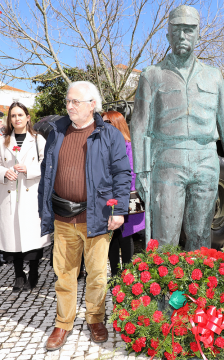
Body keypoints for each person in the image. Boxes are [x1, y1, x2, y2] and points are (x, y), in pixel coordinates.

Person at [131, 5, 224, 250]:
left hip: (206, 159)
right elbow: (139, 125)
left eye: (189, 30)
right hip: (167, 160)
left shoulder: (213, 76)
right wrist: (141, 171)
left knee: (201, 235)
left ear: (198, 35)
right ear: (168, 35)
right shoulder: (152, 75)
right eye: (177, 30)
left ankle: (197, 286)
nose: (183, 36)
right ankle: (165, 287)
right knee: (165, 237)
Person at [39, 81, 131, 351]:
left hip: (97, 217)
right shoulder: (56, 133)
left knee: (98, 275)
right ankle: (63, 323)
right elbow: (47, 172)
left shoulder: (109, 136)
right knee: (64, 274)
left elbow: (122, 175)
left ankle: (95, 319)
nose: (69, 106)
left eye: (75, 102)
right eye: (68, 101)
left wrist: (119, 210)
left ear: (92, 105)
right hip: (63, 217)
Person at [0, 102, 50, 291]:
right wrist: (4, 172)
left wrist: (29, 169)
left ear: (28, 117)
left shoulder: (37, 139)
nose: (17, 119)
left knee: (31, 238)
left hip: (30, 194)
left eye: (20, 115)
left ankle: (34, 273)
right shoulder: (3, 140)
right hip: (9, 195)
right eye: (13, 116)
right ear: (10, 119)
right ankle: (19, 275)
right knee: (12, 237)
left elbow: (47, 165)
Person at [102, 110, 145, 275]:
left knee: (125, 237)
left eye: (107, 123)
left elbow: (133, 174)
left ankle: (126, 275)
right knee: (112, 237)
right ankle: (114, 275)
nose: (103, 126)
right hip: (108, 198)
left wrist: (121, 195)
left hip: (124, 198)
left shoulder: (128, 146)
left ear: (116, 124)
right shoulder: (105, 146)